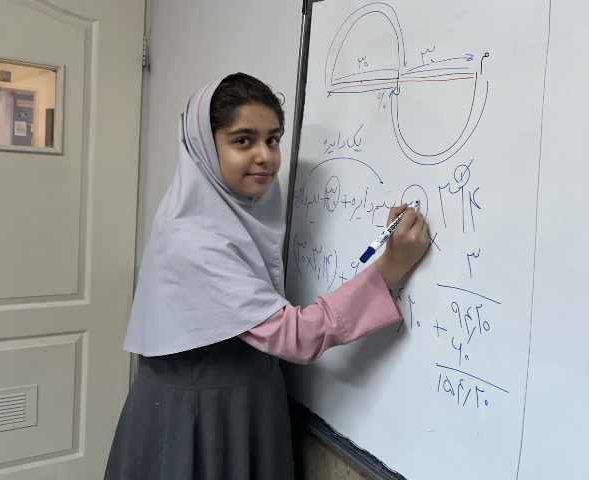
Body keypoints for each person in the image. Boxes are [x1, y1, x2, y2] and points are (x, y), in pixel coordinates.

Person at [104, 73, 430, 480]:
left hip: (240, 407)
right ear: (205, 148)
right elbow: (295, 336)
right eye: (243, 140)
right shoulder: (194, 239)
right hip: (199, 422)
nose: (265, 156)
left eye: (273, 140)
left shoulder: (233, 213)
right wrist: (391, 267)